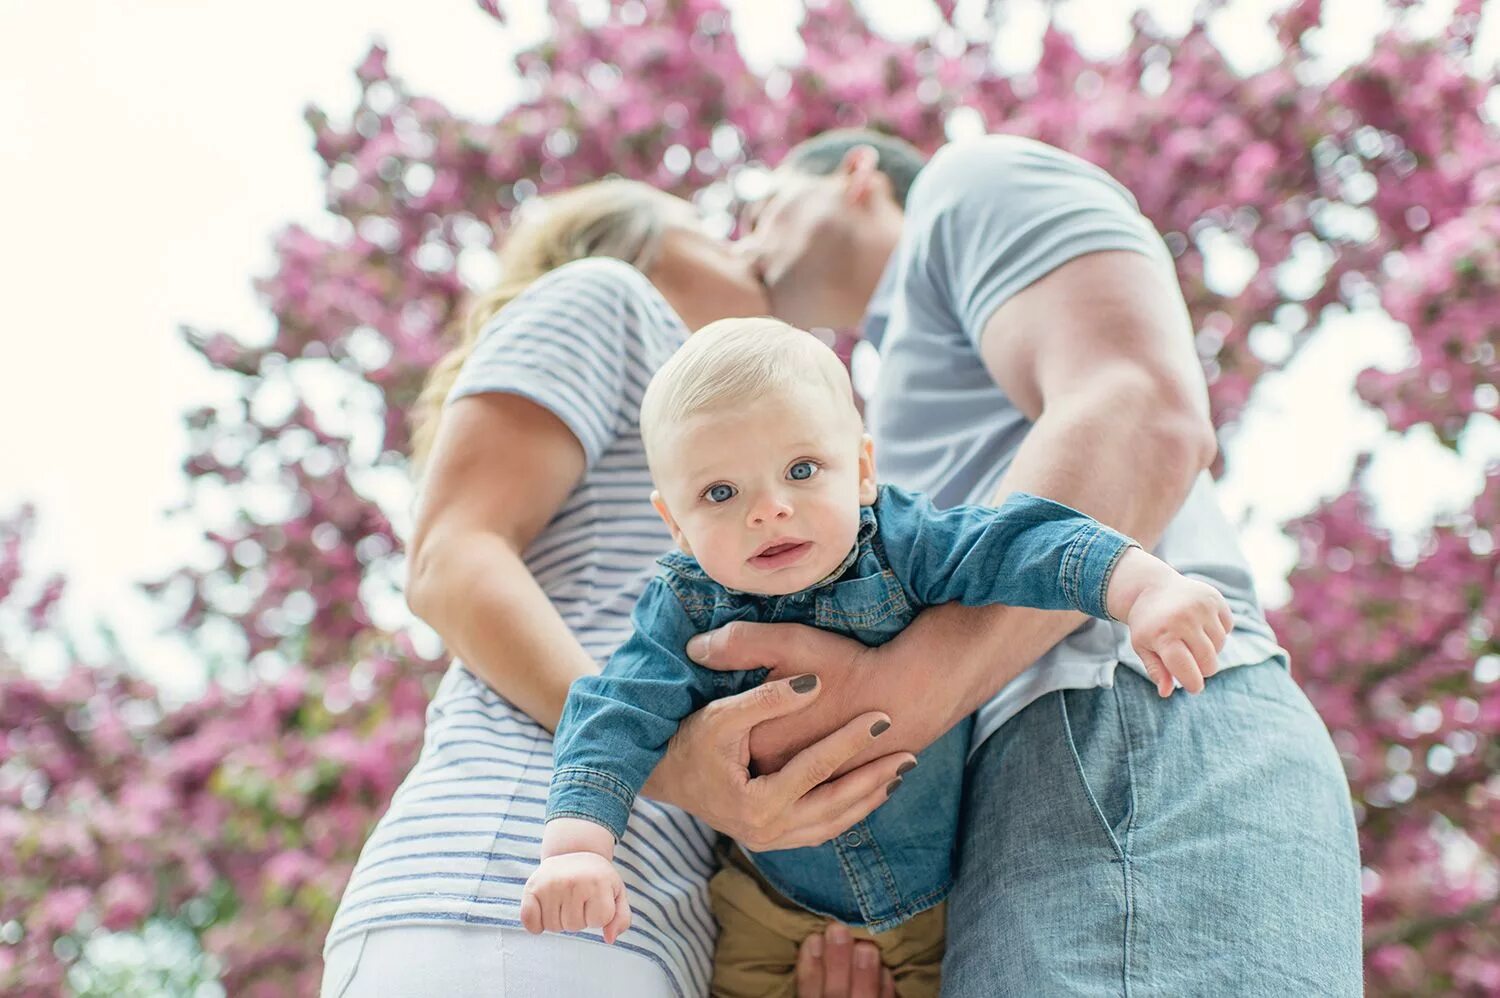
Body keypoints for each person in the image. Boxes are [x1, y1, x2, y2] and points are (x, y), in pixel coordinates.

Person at [701, 130, 1364, 994]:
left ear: (859, 175)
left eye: (764, 205)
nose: (745, 240)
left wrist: (895, 704)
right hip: (1048, 763)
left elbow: (1141, 409)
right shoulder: (888, 401)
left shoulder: (966, 184)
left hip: (1125, 711)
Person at [519, 317, 1234, 997]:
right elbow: (613, 710)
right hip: (769, 910)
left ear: (861, 471)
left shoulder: (901, 544)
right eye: (721, 492)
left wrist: (1143, 587)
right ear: (675, 522)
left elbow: (1018, 543)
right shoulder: (685, 606)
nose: (768, 509)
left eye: (801, 469)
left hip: (939, 909)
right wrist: (577, 849)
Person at [320, 180, 911, 998]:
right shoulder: (609, 296)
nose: (743, 247)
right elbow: (451, 557)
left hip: (634, 925)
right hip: (505, 876)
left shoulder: (747, 477)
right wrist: (667, 765)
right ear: (639, 250)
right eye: (709, 232)